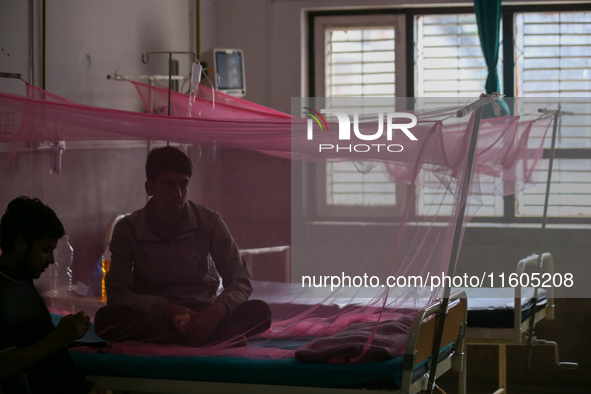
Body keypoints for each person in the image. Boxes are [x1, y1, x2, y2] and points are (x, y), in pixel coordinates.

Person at [94, 146, 271, 346]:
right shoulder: (128, 229)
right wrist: (166, 309)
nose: (178, 194)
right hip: (156, 315)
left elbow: (241, 279)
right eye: (168, 184)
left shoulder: (209, 221)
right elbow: (118, 292)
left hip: (204, 311)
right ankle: (212, 338)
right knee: (105, 320)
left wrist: (219, 309)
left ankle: (196, 333)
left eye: (183, 185)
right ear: (149, 188)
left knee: (261, 312)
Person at [0, 196, 97, 393]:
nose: (52, 260)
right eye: (46, 249)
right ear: (20, 243)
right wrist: (59, 337)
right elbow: (4, 364)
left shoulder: (21, 284)